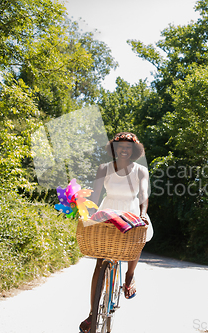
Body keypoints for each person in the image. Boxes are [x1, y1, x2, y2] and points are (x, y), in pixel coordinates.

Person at [79, 132, 152, 333]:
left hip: (131, 212)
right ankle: (93, 313)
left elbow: (144, 195)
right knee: (100, 261)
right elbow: (95, 194)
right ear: (114, 149)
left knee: (135, 243)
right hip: (107, 212)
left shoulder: (140, 171)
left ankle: (129, 276)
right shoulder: (104, 168)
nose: (124, 150)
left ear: (134, 151)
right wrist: (89, 212)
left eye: (128, 147)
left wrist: (143, 214)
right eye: (120, 146)